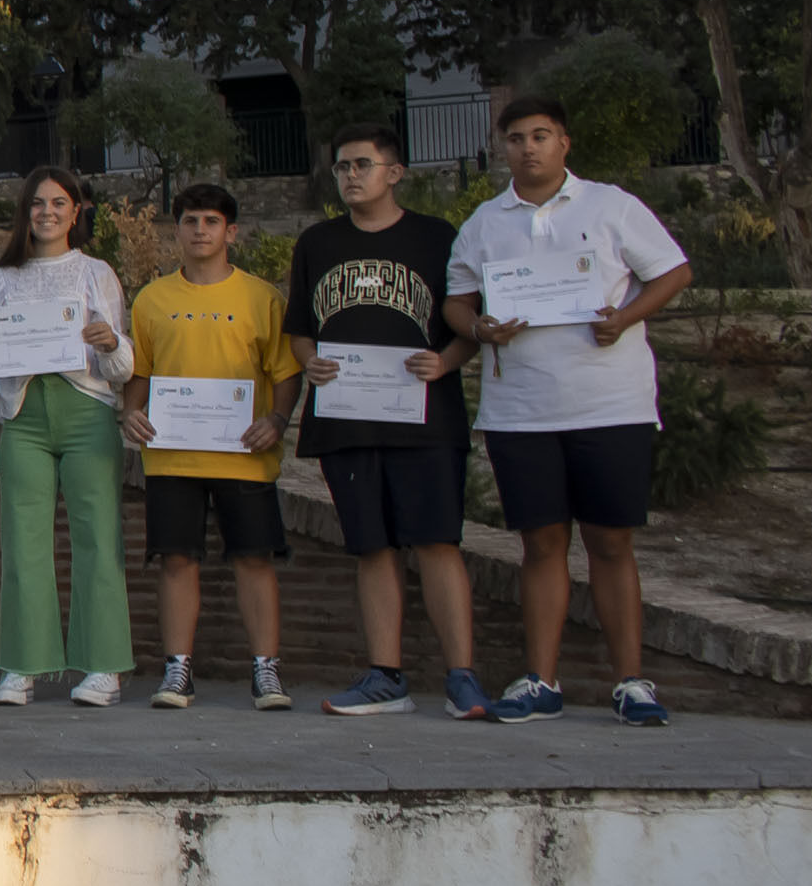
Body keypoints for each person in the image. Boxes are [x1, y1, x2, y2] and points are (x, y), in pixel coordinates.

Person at [444, 95, 694, 727]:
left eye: (541, 136)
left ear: (564, 143)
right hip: (521, 410)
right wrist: (479, 328)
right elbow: (456, 302)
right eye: (516, 138)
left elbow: (673, 272)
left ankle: (631, 683)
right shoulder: (484, 222)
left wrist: (624, 318)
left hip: (610, 404)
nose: (528, 148)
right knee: (541, 544)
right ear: (502, 147)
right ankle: (541, 681)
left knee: (610, 541)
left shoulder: (611, 206)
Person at [288, 126, 482, 717]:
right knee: (372, 547)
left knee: (437, 541)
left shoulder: (437, 237)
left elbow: (470, 326)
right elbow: (300, 330)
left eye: (362, 165)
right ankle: (385, 676)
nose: (350, 176)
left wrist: (445, 362)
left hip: (425, 419)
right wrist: (310, 362)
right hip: (347, 420)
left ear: (394, 173)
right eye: (342, 167)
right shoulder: (317, 242)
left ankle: (462, 677)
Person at [120, 183, 302, 711]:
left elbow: (285, 372)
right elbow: (140, 372)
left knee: (254, 559)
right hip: (172, 455)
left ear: (231, 232)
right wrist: (131, 412)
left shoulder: (263, 298)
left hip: (245, 454)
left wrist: (277, 419)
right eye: (190, 221)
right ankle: (178, 669)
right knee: (176, 560)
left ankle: (266, 669)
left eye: (211, 221)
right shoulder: (151, 299)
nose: (200, 230)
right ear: (175, 231)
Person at [0, 166, 134, 705]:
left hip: (87, 412)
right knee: (23, 541)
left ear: (75, 211)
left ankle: (103, 667)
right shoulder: (2, 279)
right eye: (37, 204)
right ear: (26, 212)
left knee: (98, 539)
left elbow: (123, 367)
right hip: (23, 417)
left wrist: (110, 343)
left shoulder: (96, 273)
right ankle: (23, 665)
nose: (47, 213)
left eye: (59, 203)